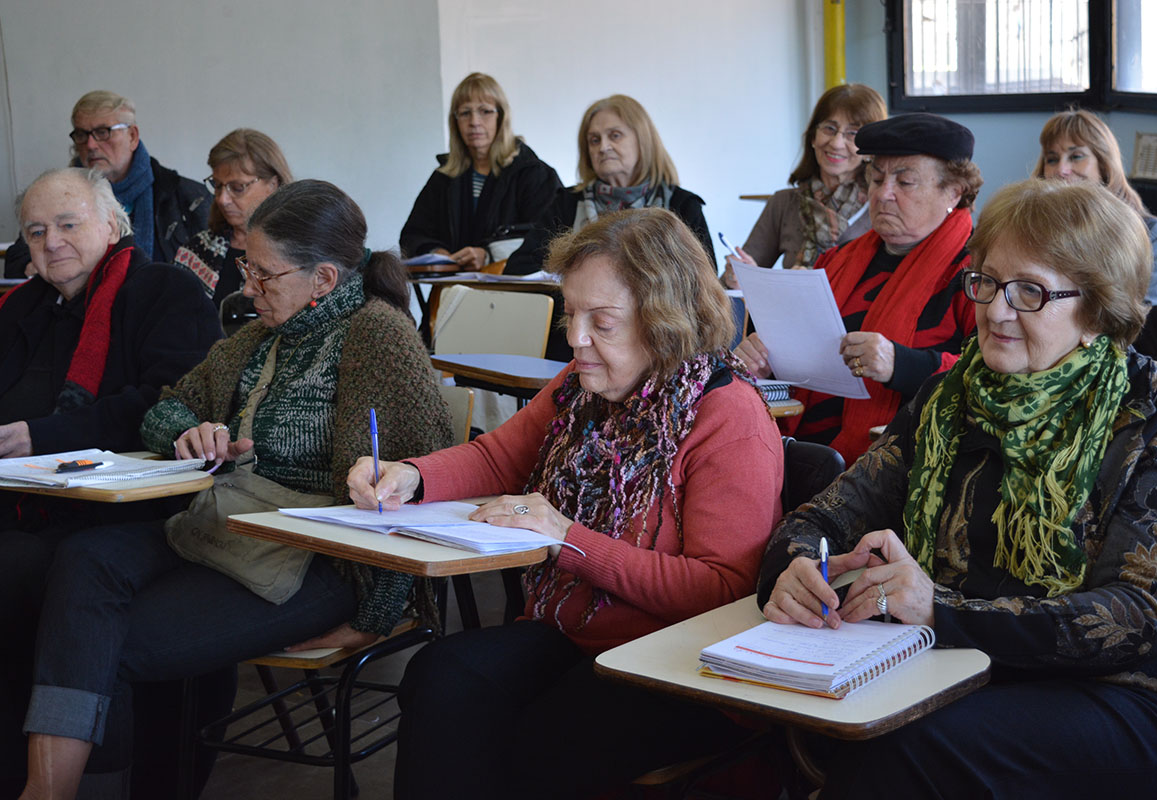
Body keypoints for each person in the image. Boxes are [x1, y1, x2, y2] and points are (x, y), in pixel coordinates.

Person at [759, 178, 1157, 799]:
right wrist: (801, 568)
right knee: (808, 721)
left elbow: (1140, 617)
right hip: (960, 669)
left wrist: (938, 609)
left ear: (1098, 310)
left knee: (912, 748)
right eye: (988, 281)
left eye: (1029, 291)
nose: (994, 309)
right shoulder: (950, 396)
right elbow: (822, 516)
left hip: (1134, 696)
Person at [14, 179, 454, 800]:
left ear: (323, 279)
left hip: (323, 557)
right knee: (84, 560)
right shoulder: (261, 338)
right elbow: (166, 408)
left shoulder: (377, 339)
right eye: (247, 265)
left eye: (265, 274)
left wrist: (375, 618)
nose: (247, 286)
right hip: (239, 528)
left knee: (101, 642)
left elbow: (419, 492)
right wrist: (191, 432)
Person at [347, 208, 783, 799]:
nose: (576, 339)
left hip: (681, 660)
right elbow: (499, 458)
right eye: (571, 314)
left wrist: (567, 539)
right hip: (572, 632)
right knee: (439, 678)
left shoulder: (727, 418)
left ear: (665, 322)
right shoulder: (583, 387)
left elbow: (722, 589)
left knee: (540, 735)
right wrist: (410, 476)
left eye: (601, 322)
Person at [0, 167, 222, 796]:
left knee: (13, 570)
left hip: (120, 513)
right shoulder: (23, 307)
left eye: (68, 224)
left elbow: (166, 404)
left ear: (114, 224)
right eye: (36, 231)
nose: (52, 243)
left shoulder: (163, 291)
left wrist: (36, 438)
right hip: (22, 498)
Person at [735, 113, 981, 464]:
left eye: (905, 182)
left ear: (953, 192)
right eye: (877, 178)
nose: (883, 195)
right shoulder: (837, 261)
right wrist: (762, 360)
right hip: (799, 455)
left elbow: (994, 378)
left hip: (902, 466)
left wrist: (901, 365)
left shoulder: (977, 273)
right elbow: (794, 360)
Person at [4, 90, 211, 278]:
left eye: (103, 132)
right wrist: (36, 267)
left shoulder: (186, 196)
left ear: (132, 136)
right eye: (82, 135)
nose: (91, 145)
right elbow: (17, 259)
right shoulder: (55, 197)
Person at [505, 94, 715, 276]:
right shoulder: (567, 204)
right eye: (594, 140)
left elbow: (705, 285)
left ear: (643, 141)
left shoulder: (682, 205)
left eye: (615, 136)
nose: (603, 147)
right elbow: (519, 268)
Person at [722, 83, 886, 286]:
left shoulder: (883, 206)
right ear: (813, 137)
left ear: (871, 149)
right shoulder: (784, 204)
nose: (836, 143)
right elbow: (726, 291)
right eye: (829, 128)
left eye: (853, 133)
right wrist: (740, 278)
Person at [400, 72, 562, 269]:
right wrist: (437, 253)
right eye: (465, 113)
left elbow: (550, 238)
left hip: (516, 291)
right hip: (454, 289)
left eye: (485, 111)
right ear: (455, 121)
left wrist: (489, 256)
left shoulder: (533, 173)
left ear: (501, 117)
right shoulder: (443, 178)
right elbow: (412, 236)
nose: (474, 122)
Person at [1034, 108, 1157, 305]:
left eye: (1076, 156)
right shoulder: (1033, 226)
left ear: (1104, 164)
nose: (1061, 170)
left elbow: (1150, 315)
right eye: (1052, 159)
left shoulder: (1151, 233)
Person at [174, 128, 293, 307]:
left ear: (273, 184)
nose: (223, 199)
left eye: (237, 188)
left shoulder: (298, 252)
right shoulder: (197, 250)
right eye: (218, 185)